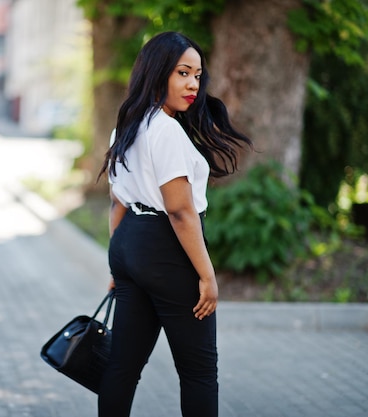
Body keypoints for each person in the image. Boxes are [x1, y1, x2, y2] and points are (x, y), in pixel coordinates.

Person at [97, 32, 252, 417]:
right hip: (167, 251)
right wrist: (207, 275)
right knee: (199, 373)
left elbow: (118, 200)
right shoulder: (164, 130)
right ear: (158, 71)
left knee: (122, 367)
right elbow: (180, 211)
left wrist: (119, 263)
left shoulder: (128, 125)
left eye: (198, 76)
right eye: (183, 73)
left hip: (131, 243)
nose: (193, 85)